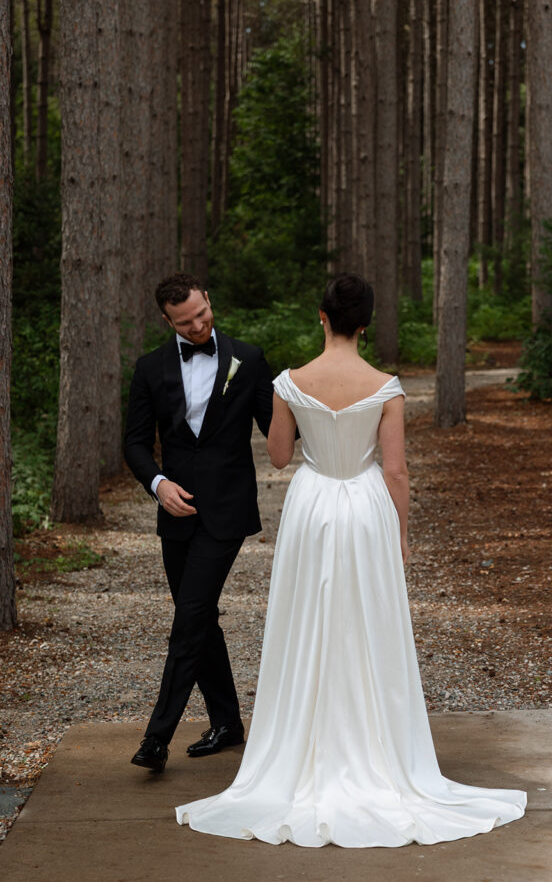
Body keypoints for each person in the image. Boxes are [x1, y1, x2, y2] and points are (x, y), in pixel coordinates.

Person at [175, 274, 526, 847]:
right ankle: (375, 746)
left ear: (321, 317)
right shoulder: (385, 386)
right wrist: (403, 535)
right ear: (365, 324)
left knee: (307, 621)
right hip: (365, 508)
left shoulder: (289, 382)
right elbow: (395, 471)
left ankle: (300, 746)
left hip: (313, 507)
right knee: (369, 624)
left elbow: (283, 457)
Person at [124, 272, 273, 773]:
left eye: (202, 315)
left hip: (227, 512)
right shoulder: (150, 368)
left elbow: (278, 431)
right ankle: (228, 722)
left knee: (188, 618)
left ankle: (156, 737)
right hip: (176, 512)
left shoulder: (248, 360)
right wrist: (158, 484)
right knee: (200, 616)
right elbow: (135, 443)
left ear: (209, 299)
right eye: (185, 323)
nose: (198, 328)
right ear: (167, 321)